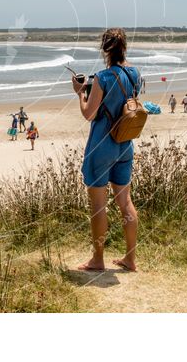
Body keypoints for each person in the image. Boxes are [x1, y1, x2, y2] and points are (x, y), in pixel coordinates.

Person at [73, 28, 140, 273]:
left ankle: (98, 260)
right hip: (125, 142)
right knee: (126, 202)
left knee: (98, 206)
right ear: (124, 47)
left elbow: (89, 113)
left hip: (102, 144)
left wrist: (81, 93)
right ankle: (130, 258)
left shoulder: (102, 77)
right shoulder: (135, 74)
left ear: (105, 49)